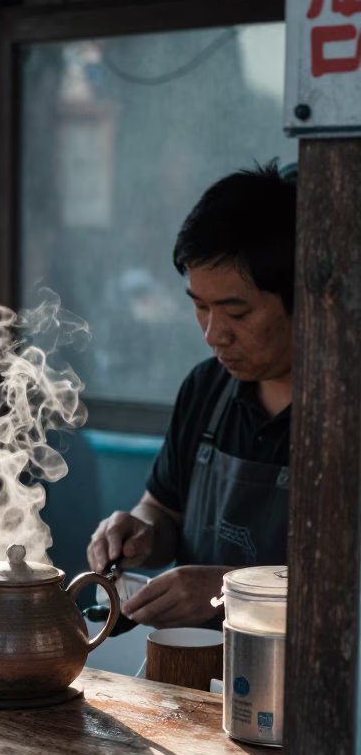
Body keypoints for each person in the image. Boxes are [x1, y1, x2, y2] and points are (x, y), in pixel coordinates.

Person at [88, 161, 296, 628]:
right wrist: (140, 530)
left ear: (303, 297)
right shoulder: (207, 388)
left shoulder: (341, 414)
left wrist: (228, 589)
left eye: (236, 313)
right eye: (200, 307)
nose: (212, 334)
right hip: (188, 676)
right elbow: (162, 508)